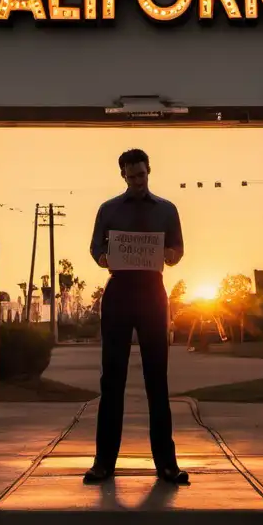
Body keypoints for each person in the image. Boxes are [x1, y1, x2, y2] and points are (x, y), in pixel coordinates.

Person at [83, 148, 189, 485]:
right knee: (111, 379)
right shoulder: (108, 209)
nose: (137, 181)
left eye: (141, 175)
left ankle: (167, 465)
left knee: (157, 379)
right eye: (131, 176)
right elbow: (96, 249)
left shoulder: (167, 209)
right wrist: (105, 258)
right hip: (119, 291)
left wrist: (168, 254)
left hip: (153, 292)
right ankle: (103, 463)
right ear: (123, 176)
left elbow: (177, 251)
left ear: (149, 171)